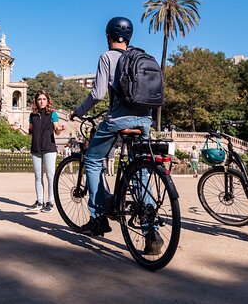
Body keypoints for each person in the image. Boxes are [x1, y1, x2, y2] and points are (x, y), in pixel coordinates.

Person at [69, 17, 156, 249]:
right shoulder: (142, 57)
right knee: (141, 172)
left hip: (118, 120)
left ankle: (97, 219)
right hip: (145, 121)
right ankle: (151, 231)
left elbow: (97, 94)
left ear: (108, 36)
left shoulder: (107, 57)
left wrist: (77, 112)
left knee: (93, 160)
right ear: (129, 38)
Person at [27, 90, 65, 212]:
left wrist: (60, 129)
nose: (41, 101)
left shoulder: (52, 114)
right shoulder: (32, 115)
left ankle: (50, 202)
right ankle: (39, 201)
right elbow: (30, 132)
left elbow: (57, 130)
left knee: (50, 176)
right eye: (39, 99)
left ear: (48, 101)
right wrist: (19, 128)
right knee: (38, 177)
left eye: (44, 99)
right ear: (36, 102)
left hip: (49, 148)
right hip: (36, 148)